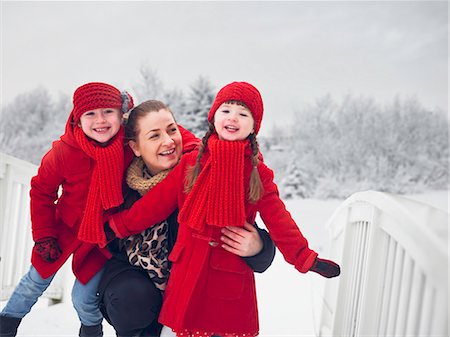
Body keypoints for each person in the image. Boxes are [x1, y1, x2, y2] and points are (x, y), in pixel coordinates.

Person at [106, 82, 341, 337]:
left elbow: (279, 219)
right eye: (226, 110)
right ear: (214, 117)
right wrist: (114, 227)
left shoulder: (256, 173)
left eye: (243, 114)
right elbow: (152, 207)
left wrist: (305, 257)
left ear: (254, 126)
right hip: (188, 273)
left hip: (229, 273)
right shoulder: (191, 163)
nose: (233, 118)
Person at [97, 100, 276, 337]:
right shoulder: (119, 184)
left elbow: (243, 224)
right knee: (131, 296)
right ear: (135, 147)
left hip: (194, 292)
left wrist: (259, 247)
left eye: (172, 130)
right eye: (154, 136)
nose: (169, 141)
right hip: (140, 291)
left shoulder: (202, 175)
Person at [0, 82, 135, 337]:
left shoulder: (130, 147)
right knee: (34, 281)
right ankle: (6, 326)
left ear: (121, 114)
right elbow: (41, 191)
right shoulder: (64, 151)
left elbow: (167, 131)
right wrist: (44, 236)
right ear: (77, 118)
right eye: (90, 114)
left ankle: (91, 330)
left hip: (103, 237)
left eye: (108, 111)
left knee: (83, 297)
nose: (100, 120)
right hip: (65, 228)